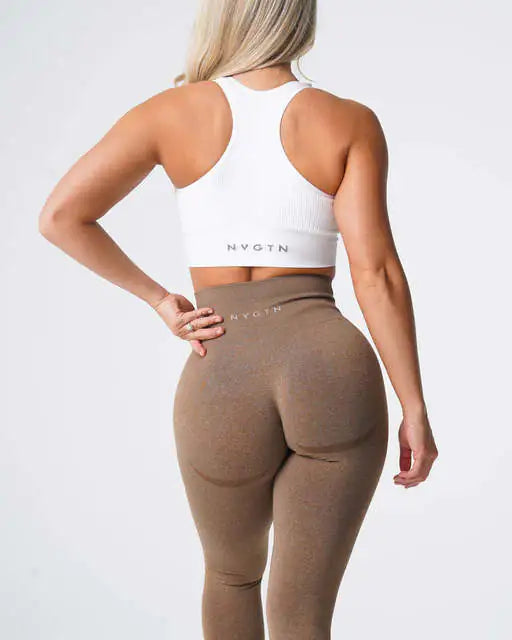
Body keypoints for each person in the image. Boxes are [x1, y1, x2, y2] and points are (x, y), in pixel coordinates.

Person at [38, 0, 438, 638]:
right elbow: (377, 274)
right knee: (304, 611)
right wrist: (412, 404)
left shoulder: (170, 112)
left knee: (231, 577)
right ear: (299, 20)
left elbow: (61, 217)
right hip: (328, 364)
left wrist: (159, 299)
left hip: (221, 364)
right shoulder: (348, 121)